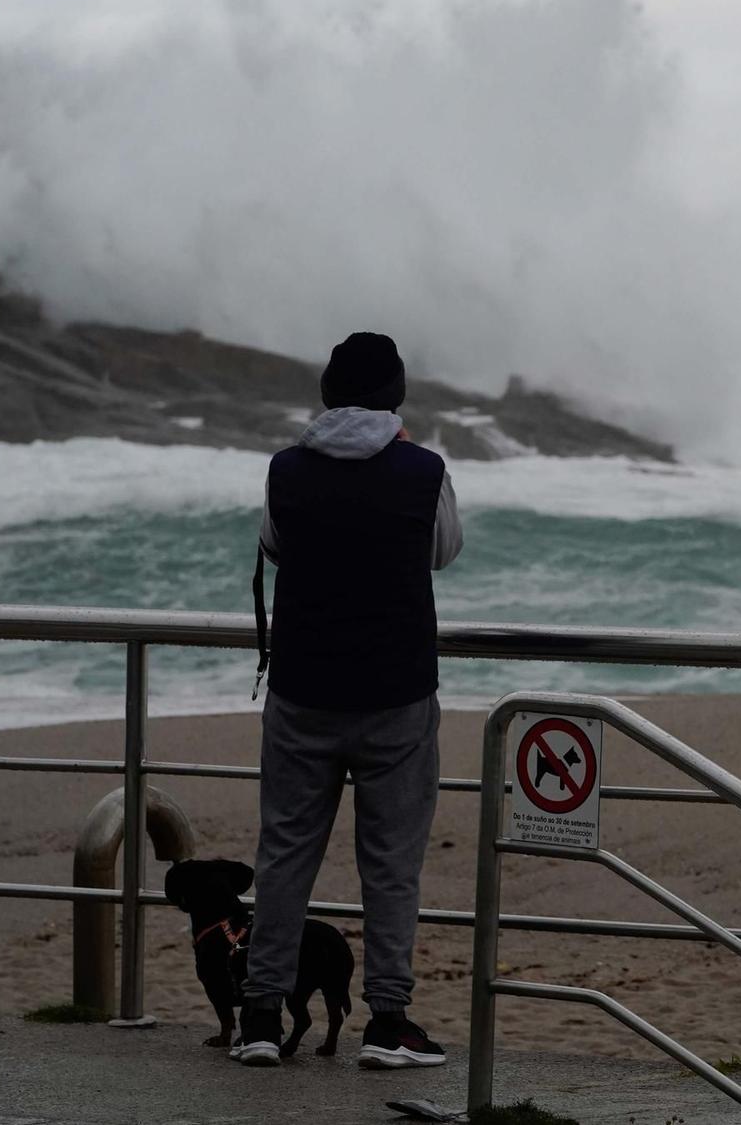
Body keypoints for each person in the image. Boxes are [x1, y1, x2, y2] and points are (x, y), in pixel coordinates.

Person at [232, 331, 463, 1070]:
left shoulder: (287, 469)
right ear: (395, 393)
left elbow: (274, 545)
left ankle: (261, 1016)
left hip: (304, 691)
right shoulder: (423, 469)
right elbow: (444, 549)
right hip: (396, 694)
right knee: (391, 862)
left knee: (284, 855)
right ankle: (388, 1021)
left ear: (328, 391)